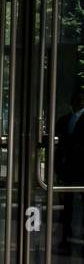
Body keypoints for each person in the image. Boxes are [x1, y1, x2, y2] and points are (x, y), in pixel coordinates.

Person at [55, 89, 84, 254]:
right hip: (68, 169)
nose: (77, 102)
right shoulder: (64, 120)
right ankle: (66, 235)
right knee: (67, 203)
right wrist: (58, 167)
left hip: (81, 169)